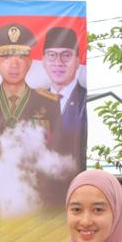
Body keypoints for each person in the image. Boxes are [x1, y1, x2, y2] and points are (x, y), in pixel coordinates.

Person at [0, 22, 61, 158]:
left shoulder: (49, 103)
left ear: (29, 62)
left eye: (21, 57)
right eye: (6, 57)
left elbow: (58, 148)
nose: (14, 65)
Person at [40, 26, 87, 172]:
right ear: (43, 61)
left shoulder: (85, 101)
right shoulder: (34, 102)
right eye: (51, 55)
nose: (58, 62)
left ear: (77, 61)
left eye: (66, 55)